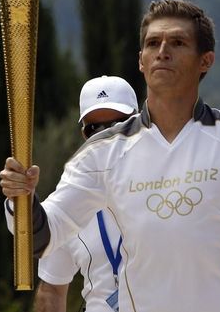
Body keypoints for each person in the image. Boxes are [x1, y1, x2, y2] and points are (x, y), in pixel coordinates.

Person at [0, 0, 220, 312]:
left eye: (177, 43)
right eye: (153, 43)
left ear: (206, 60)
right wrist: (22, 198)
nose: (162, 51)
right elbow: (42, 235)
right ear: (140, 60)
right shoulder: (101, 155)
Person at [31, 76, 138, 312]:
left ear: (139, 123)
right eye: (95, 129)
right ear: (84, 135)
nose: (106, 136)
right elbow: (51, 291)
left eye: (117, 125)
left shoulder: (171, 184)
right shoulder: (67, 203)